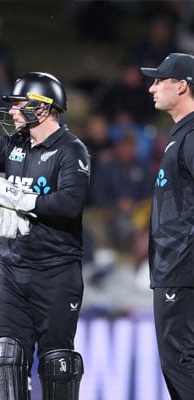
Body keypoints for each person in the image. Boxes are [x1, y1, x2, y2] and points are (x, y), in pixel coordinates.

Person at [0, 72, 90, 400]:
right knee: (7, 358)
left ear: (44, 108)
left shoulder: (72, 151)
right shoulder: (12, 143)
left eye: (19, 104)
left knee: (57, 364)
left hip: (56, 273)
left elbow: (70, 203)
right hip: (11, 270)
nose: (11, 111)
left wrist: (17, 198)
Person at [140, 52, 194, 400]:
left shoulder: (191, 137)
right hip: (177, 269)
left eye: (160, 80)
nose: (151, 88)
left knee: (179, 361)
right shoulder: (181, 135)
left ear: (182, 85)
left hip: (183, 270)